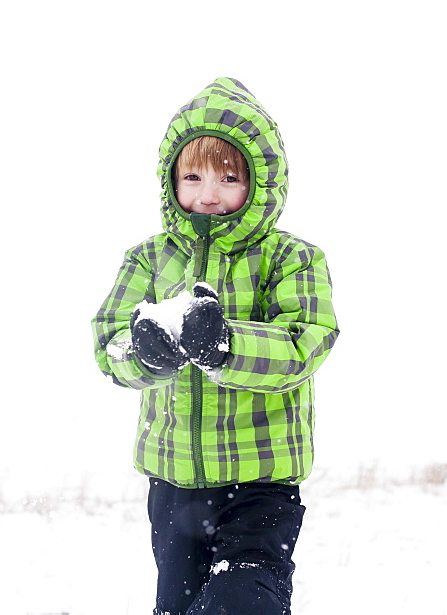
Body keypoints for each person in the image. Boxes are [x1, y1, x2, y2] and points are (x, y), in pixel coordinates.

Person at [91, 77, 339, 615]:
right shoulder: (148, 260)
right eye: (194, 174)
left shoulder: (290, 259)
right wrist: (142, 354)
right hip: (175, 486)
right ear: (171, 180)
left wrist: (228, 345)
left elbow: (306, 343)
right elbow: (108, 343)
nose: (209, 192)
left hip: (261, 481)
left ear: (260, 183)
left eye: (229, 176)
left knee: (241, 600)